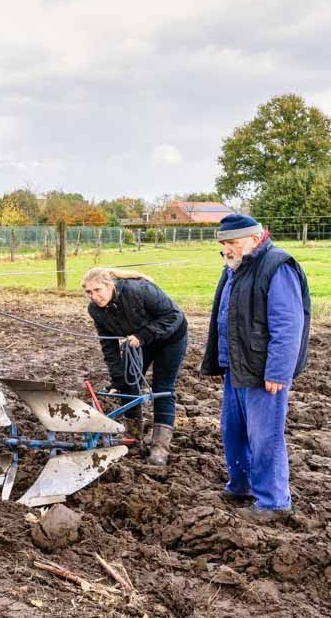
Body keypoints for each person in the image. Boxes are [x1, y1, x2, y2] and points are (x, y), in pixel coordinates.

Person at [201, 214, 311, 522]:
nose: (227, 250)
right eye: (224, 245)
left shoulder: (277, 265)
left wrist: (278, 371)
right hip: (236, 367)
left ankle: (274, 501)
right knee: (233, 431)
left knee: (265, 436)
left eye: (233, 243)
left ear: (255, 238)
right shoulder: (235, 267)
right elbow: (226, 316)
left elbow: (288, 324)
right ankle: (241, 486)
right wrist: (221, 361)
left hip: (264, 371)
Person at [82, 268, 187, 466]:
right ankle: (132, 434)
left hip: (170, 338)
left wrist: (143, 336)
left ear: (110, 285)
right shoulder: (95, 310)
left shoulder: (139, 290)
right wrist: (117, 378)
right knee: (127, 382)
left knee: (162, 389)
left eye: (98, 290)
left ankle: (160, 446)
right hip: (139, 341)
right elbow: (108, 345)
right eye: (89, 292)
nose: (94, 297)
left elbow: (173, 316)